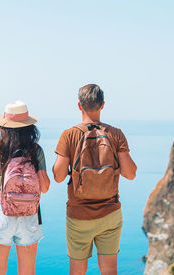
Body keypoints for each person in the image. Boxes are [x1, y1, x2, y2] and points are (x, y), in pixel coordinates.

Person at [52, 84, 137, 275]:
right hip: (110, 213)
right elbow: (130, 173)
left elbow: (57, 177)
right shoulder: (115, 134)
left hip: (79, 214)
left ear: (79, 106)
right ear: (102, 105)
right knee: (109, 270)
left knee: (77, 270)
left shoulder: (69, 135)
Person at [0, 100, 51, 275]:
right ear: (29, 128)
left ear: (4, 128)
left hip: (2, 212)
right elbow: (45, 187)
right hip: (30, 215)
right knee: (28, 272)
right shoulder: (36, 151)